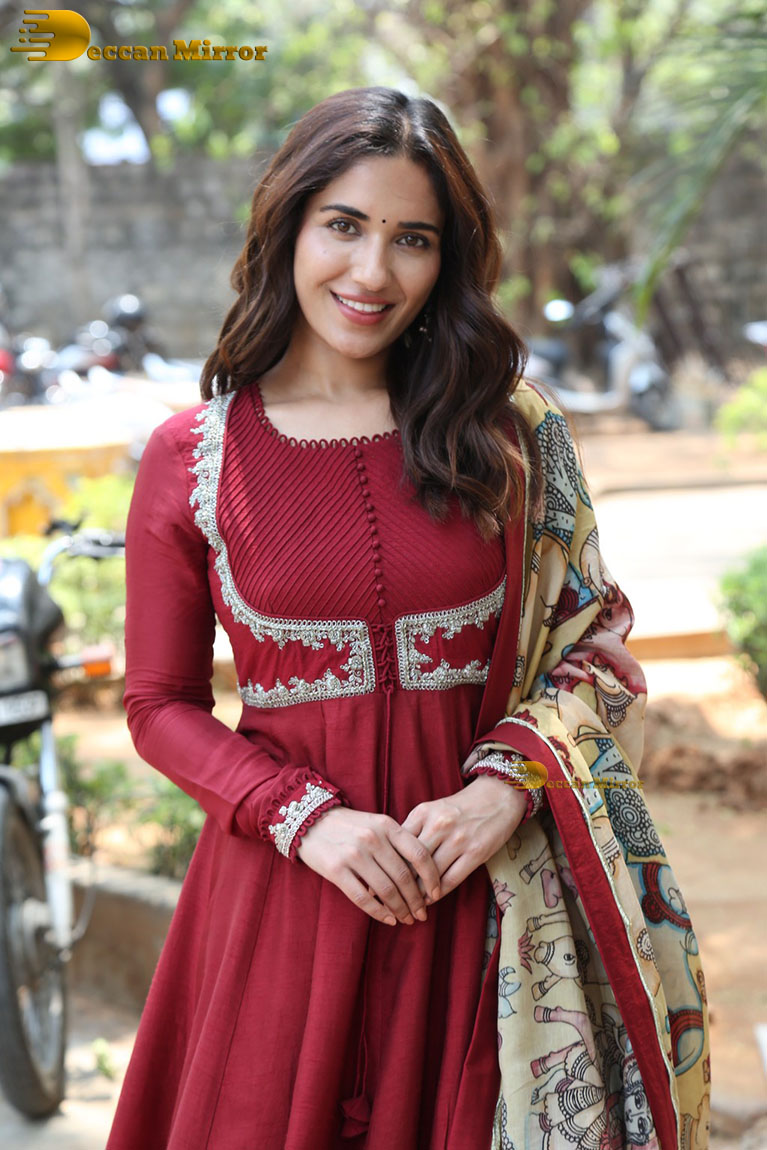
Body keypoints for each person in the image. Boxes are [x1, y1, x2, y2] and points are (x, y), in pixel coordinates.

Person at [106, 86, 710, 1150]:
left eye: (411, 239)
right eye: (343, 225)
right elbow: (158, 704)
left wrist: (502, 790)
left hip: (491, 918)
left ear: (446, 259)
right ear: (287, 226)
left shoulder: (507, 435)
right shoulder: (193, 457)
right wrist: (305, 819)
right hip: (287, 905)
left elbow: (596, 644)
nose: (372, 272)